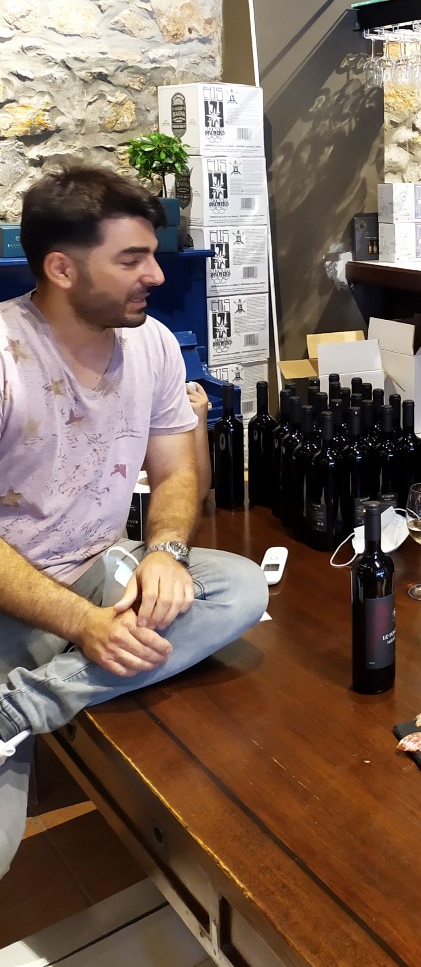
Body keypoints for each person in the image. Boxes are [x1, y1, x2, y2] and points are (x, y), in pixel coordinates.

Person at [0, 162, 268, 877]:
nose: (155, 274)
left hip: (100, 569)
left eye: (153, 254)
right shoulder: (5, 354)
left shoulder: (151, 343)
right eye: (131, 259)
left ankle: (19, 707)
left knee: (239, 589)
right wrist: (84, 625)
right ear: (61, 268)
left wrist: (166, 553)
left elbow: (178, 474)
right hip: (10, 595)